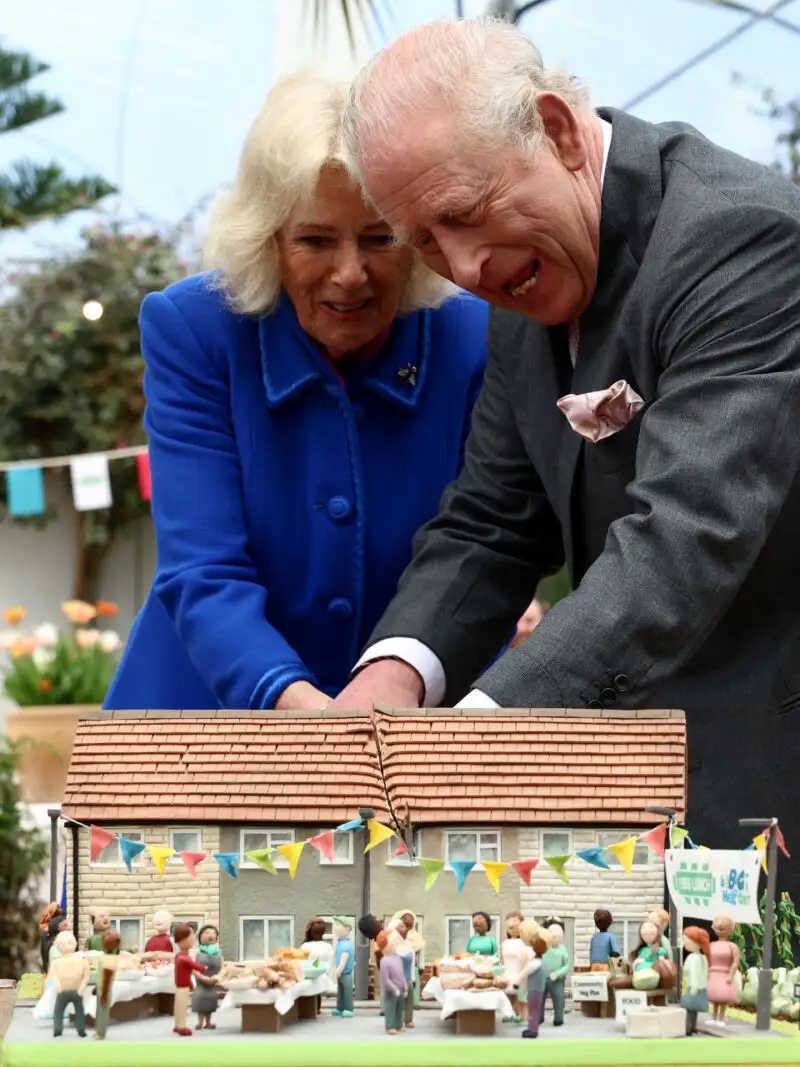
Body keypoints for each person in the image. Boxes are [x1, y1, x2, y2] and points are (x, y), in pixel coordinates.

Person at [334, 15, 800, 892]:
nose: (465, 267)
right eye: (426, 239)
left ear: (554, 129)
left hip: (771, 778)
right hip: (631, 801)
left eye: (466, 213)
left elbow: (684, 540)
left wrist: (482, 728)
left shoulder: (740, 238)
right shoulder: (522, 287)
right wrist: (389, 679)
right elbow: (490, 523)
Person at [102, 68, 488, 714]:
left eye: (378, 237)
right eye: (314, 239)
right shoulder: (194, 331)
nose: (349, 274)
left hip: (419, 719)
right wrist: (313, 720)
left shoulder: (476, 337)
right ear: (268, 238)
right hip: (204, 724)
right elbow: (202, 569)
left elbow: (485, 552)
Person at [93, 929, 121, 1041]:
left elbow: (107, 975)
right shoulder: (106, 957)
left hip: (106, 988)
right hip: (101, 987)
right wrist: (97, 987)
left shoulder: (110, 959)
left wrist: (104, 993)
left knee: (103, 1011)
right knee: (99, 1010)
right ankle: (98, 1031)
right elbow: (101, 975)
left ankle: (101, 1033)